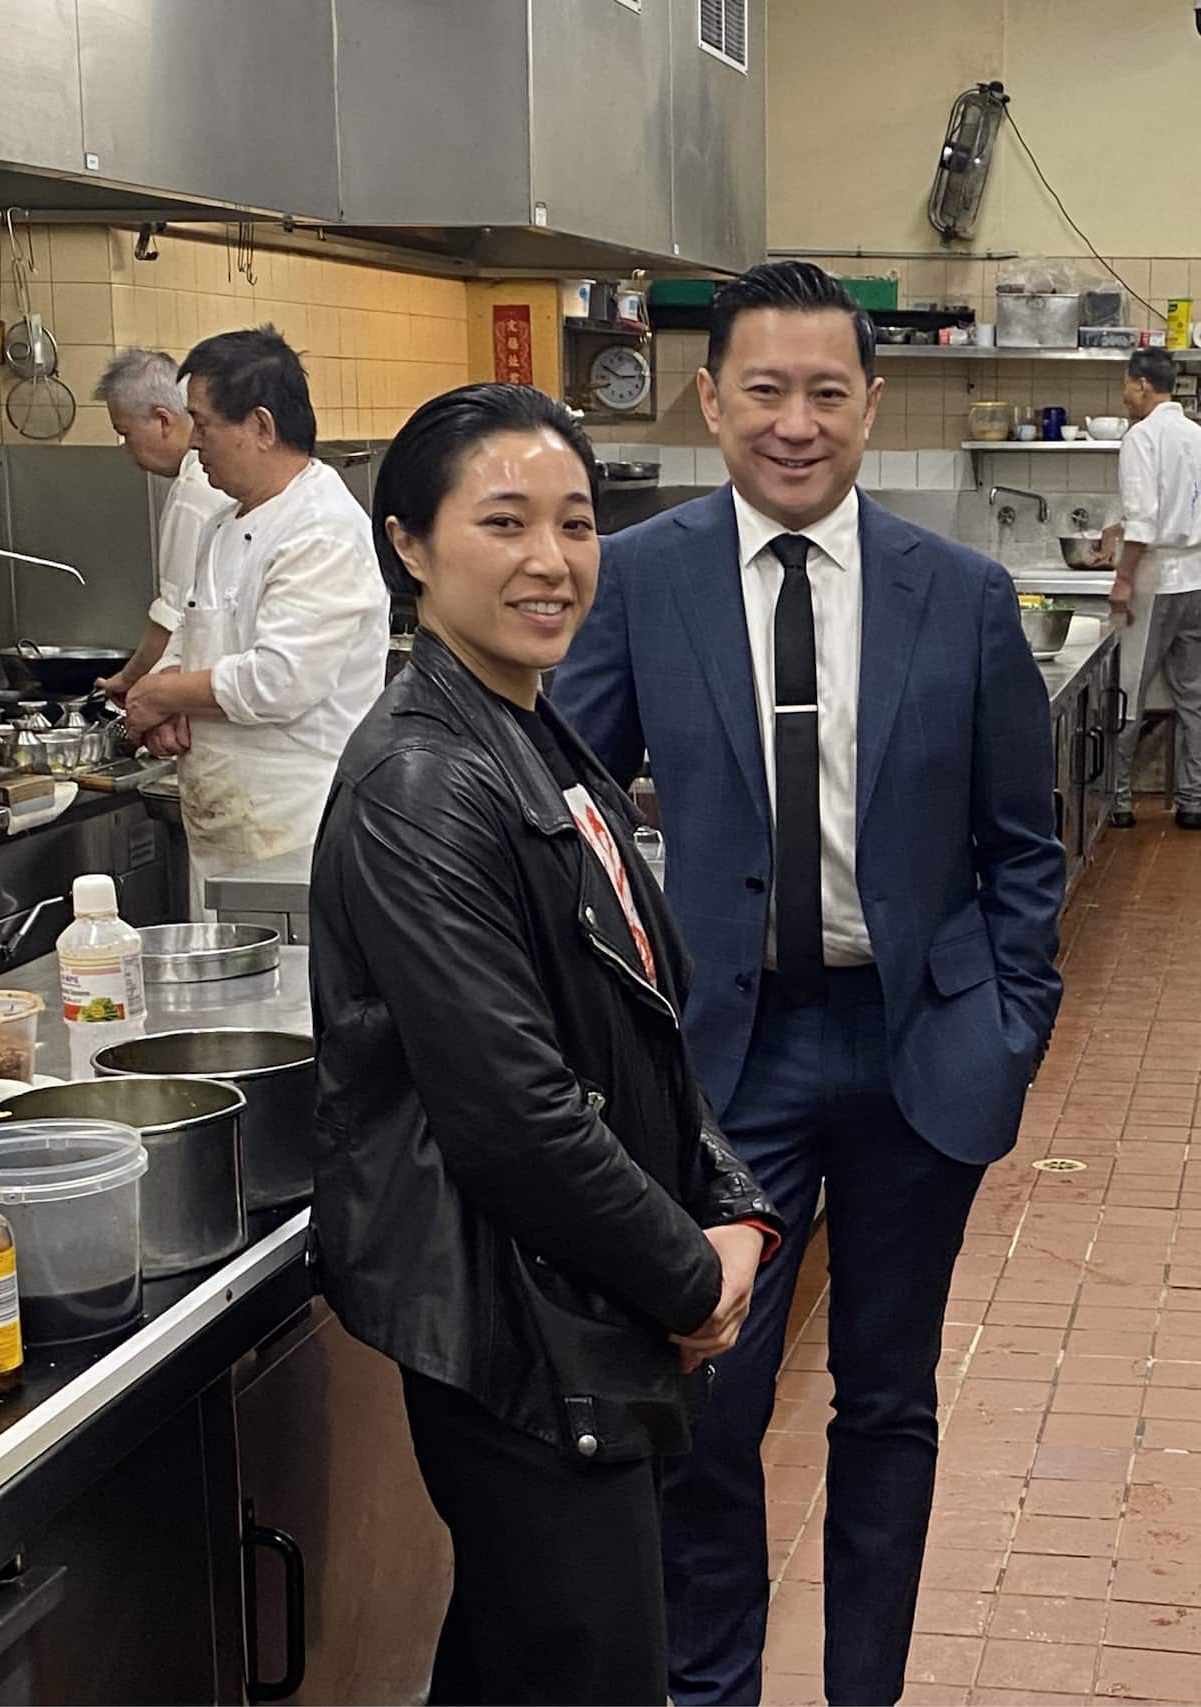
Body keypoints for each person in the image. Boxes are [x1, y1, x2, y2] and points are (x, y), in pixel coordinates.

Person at [551, 261, 1066, 1707]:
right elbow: (563, 804)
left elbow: (1026, 846)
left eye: (825, 391)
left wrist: (1011, 1023)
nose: (795, 421)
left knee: (887, 1401)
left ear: (870, 403)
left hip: (917, 1051)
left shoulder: (956, 595)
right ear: (710, 400)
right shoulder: (641, 579)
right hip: (728, 1059)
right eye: (763, 389)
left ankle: (863, 1689)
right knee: (710, 1402)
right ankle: (711, 1687)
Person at [308, 382, 784, 1707]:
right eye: (504, 520)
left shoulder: (530, 728)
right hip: (517, 1322)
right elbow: (512, 1106)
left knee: (525, 1658)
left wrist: (730, 1207)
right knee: (587, 1666)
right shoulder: (420, 778)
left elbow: (637, 1012)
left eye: (575, 523)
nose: (550, 558)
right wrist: (691, 1273)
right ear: (409, 542)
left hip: (580, 1293)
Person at [123, 326, 389, 916]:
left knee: (293, 1001)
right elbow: (193, 633)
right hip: (224, 828)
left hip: (296, 828)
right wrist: (168, 699)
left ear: (262, 427)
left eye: (205, 424)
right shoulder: (222, 522)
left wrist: (164, 692)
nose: (194, 444)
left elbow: (280, 680)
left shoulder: (321, 529)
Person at [1095, 348, 1201, 830]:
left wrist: (1123, 578)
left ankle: (1118, 802)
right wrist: (1120, 527)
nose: (1124, 394)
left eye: (1125, 385)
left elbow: (1145, 521)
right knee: (1194, 699)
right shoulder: (1196, 435)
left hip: (1156, 579)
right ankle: (1193, 801)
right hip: (1198, 579)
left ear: (1141, 384)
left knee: (1127, 691)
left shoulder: (1140, 438)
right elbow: (1176, 504)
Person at [93, 347, 228, 699]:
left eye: (126, 433)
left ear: (163, 419)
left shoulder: (195, 490)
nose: (126, 448)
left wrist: (127, 681)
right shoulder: (212, 479)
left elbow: (172, 616)